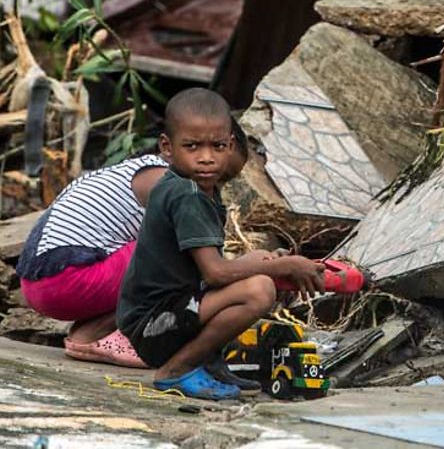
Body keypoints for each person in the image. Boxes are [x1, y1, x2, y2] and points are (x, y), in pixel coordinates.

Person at [117, 88, 325, 400]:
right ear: (167, 147)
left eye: (217, 146)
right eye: (192, 146)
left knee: (259, 261)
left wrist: (271, 261)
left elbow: (209, 271)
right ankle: (176, 370)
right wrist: (285, 266)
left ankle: (210, 365)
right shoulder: (186, 195)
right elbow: (214, 274)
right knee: (259, 290)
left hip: (165, 314)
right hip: (154, 325)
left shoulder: (192, 188)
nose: (206, 157)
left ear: (230, 145)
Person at [16, 119, 248, 368]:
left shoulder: (138, 169)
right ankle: (103, 334)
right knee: (182, 254)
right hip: (65, 279)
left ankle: (89, 332)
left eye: (223, 179)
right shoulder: (168, 184)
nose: (212, 179)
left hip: (40, 282)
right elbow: (208, 269)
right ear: (170, 148)